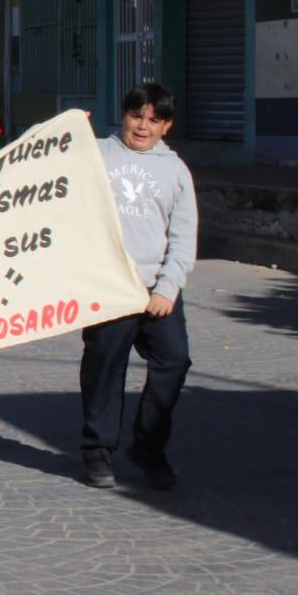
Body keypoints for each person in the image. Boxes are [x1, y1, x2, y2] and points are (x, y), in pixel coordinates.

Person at [80, 83, 198, 491]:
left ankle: (148, 447)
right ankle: (98, 451)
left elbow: (183, 237)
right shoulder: (97, 153)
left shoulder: (176, 171)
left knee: (174, 360)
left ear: (167, 126)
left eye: (154, 120)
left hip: (156, 290)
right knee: (104, 368)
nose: (143, 126)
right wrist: (69, 134)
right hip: (110, 287)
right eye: (136, 116)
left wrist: (167, 287)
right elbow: (49, 167)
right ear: (123, 116)